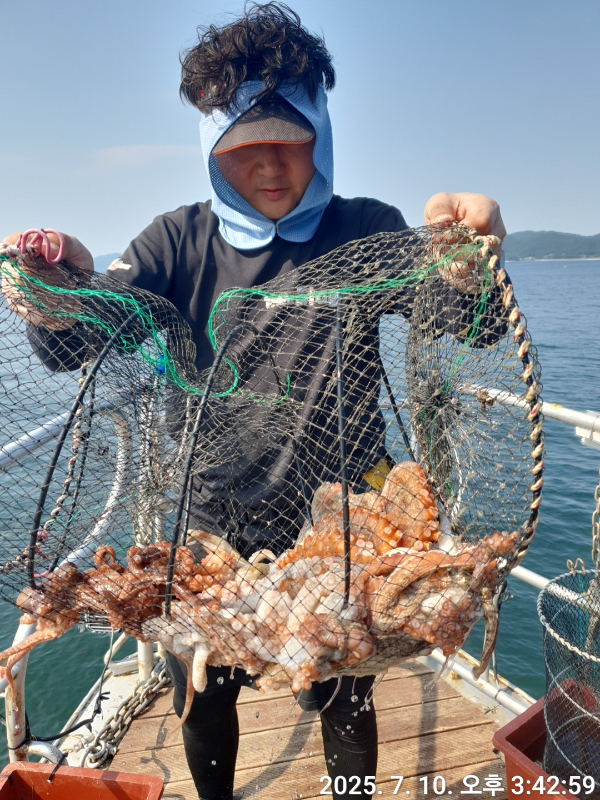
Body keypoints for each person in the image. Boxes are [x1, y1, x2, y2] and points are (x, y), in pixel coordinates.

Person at [2, 4, 507, 799]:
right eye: (245, 148)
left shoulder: (365, 229)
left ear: (322, 135)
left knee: (342, 698)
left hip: (344, 535)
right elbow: (71, 346)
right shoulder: (174, 242)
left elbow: (466, 322)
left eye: (290, 142)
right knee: (204, 699)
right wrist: (63, 288)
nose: (270, 167)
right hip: (207, 535)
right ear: (211, 148)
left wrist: (469, 258)